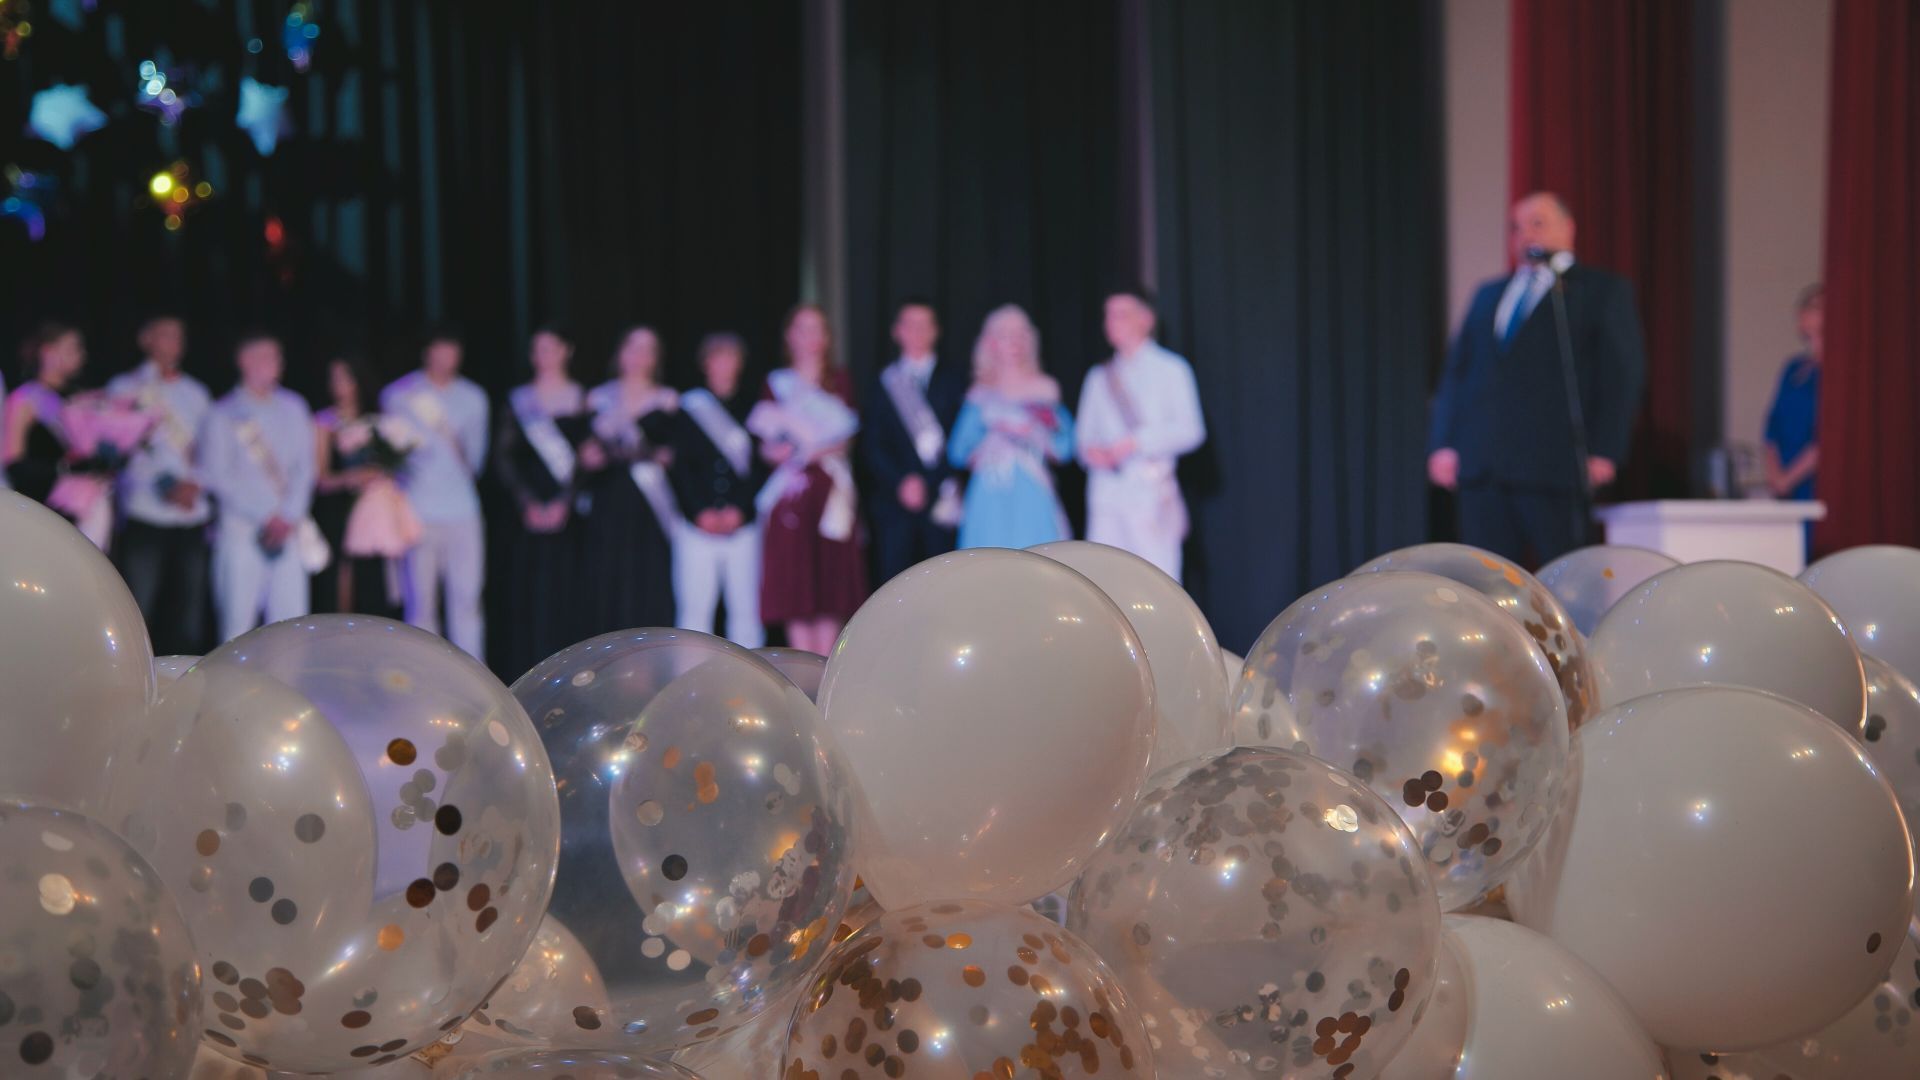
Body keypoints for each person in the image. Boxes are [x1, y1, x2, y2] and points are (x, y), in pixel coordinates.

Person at [1428, 192, 1647, 565]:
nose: (1525, 234)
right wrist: (1444, 443)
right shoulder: (1489, 294)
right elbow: (1457, 374)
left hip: (1555, 467)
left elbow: (1621, 374)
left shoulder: (1598, 291)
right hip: (1484, 468)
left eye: (1538, 223)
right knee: (1486, 582)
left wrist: (1605, 449)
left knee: (1562, 580)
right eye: (1516, 227)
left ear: (1568, 229)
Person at [750, 304, 867, 654]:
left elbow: (845, 438)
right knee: (795, 585)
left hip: (829, 490)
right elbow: (765, 444)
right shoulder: (777, 384)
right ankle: (802, 673)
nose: (810, 337)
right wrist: (778, 453)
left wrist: (809, 450)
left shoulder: (840, 380)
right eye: (803, 328)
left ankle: (825, 665)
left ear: (827, 337)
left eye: (818, 329)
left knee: (829, 583)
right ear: (790, 336)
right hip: (792, 493)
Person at [1075, 290, 1207, 582]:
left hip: (1150, 490)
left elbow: (1191, 430)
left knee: (1157, 578)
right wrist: (1092, 452)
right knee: (1104, 581)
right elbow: (1083, 437)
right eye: (1108, 315)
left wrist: (1137, 442)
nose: (1111, 322)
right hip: (1106, 492)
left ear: (1146, 319)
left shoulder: (1171, 369)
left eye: (1121, 314)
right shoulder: (1098, 377)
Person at [106, 315, 213, 655]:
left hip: (191, 513)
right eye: (165, 334)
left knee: (190, 612)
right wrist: (165, 485)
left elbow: (211, 450)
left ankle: (186, 687)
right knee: (139, 606)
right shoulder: (124, 387)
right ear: (146, 339)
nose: (173, 342)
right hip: (146, 510)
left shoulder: (197, 392)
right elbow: (120, 450)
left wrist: (195, 483)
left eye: (179, 335)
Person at [200, 332, 315, 643]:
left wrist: (288, 515)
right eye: (265, 356)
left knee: (291, 626)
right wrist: (266, 515)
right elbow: (217, 476)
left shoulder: (294, 407)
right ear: (244, 361)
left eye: (277, 356)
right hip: (242, 531)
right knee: (237, 628)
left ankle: (286, 690)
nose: (275, 364)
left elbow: (305, 469)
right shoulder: (222, 413)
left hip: (286, 532)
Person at [382, 327, 490, 658]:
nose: (447, 357)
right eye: (440, 349)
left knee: (467, 600)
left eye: (453, 350)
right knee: (420, 605)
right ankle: (424, 682)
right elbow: (392, 458)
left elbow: (477, 459)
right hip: (418, 511)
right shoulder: (399, 395)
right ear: (427, 351)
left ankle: (474, 685)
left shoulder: (474, 397)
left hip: (462, 510)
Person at [659, 332, 768, 647]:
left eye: (731, 357)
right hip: (696, 527)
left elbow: (759, 468)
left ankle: (752, 691)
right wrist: (700, 512)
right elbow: (680, 468)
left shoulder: (754, 407)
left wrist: (740, 509)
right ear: (706, 363)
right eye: (717, 357)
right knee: (694, 616)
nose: (724, 364)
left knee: (747, 616)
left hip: (742, 526)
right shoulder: (688, 408)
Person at [495, 326, 588, 675]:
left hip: (570, 515)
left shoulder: (583, 397)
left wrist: (566, 501)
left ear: (567, 350)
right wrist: (527, 502)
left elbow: (587, 458)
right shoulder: (520, 399)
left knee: (567, 593)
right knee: (529, 594)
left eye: (550, 348)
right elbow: (504, 459)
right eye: (537, 349)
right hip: (529, 515)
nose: (543, 356)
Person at [578, 326, 679, 636]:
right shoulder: (598, 398)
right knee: (608, 578)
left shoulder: (668, 400)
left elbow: (677, 454)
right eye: (633, 348)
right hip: (610, 499)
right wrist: (588, 457)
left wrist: (665, 456)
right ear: (620, 353)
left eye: (647, 349)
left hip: (650, 505)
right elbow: (585, 454)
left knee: (648, 579)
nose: (639, 356)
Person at [949, 304, 1075, 550]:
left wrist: (1032, 432)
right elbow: (958, 451)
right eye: (1006, 335)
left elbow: (1065, 447)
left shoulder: (1044, 391)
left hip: (1031, 489)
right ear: (991, 342)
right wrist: (994, 436)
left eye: (1020, 334)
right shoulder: (980, 396)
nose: (1015, 343)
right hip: (989, 493)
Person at [861, 298, 966, 582]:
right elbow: (872, 444)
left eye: (924, 325)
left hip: (942, 500)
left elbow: (962, 440)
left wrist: (927, 482)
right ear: (897, 331)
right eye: (910, 325)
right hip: (894, 503)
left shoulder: (956, 380)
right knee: (894, 587)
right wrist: (901, 483)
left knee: (945, 585)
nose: (917, 332)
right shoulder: (882, 382)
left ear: (936, 331)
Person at [312, 354, 405, 618]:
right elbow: (321, 479)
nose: (338, 385)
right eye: (334, 378)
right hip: (339, 511)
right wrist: (353, 477)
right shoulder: (324, 422)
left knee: (373, 584)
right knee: (340, 584)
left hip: (372, 514)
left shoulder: (377, 422)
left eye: (345, 378)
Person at [1765, 284, 1822, 552]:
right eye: (1806, 306)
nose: (1805, 313)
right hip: (1785, 489)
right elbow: (1772, 426)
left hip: (1814, 484)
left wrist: (1789, 478)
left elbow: (1827, 437)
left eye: (1815, 306)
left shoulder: (1837, 370)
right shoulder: (1793, 368)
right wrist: (1776, 475)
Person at [5, 323, 86, 509]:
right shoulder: (25, 396)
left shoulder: (79, 397)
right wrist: (64, 469)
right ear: (47, 351)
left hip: (79, 500)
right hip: (39, 503)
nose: (81, 355)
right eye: (73, 348)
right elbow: (13, 463)